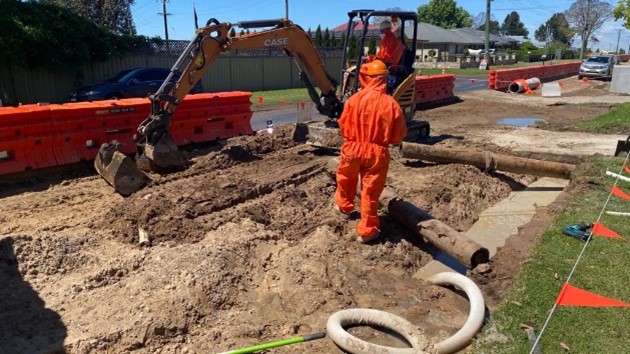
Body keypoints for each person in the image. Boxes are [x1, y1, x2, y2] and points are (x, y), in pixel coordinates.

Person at [334, 60, 408, 243]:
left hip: (352, 148)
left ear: (365, 78)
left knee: (346, 178)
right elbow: (398, 135)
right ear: (384, 79)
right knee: (370, 191)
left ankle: (343, 207)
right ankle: (367, 231)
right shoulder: (391, 104)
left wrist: (353, 140)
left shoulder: (353, 100)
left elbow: (343, 125)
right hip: (376, 153)